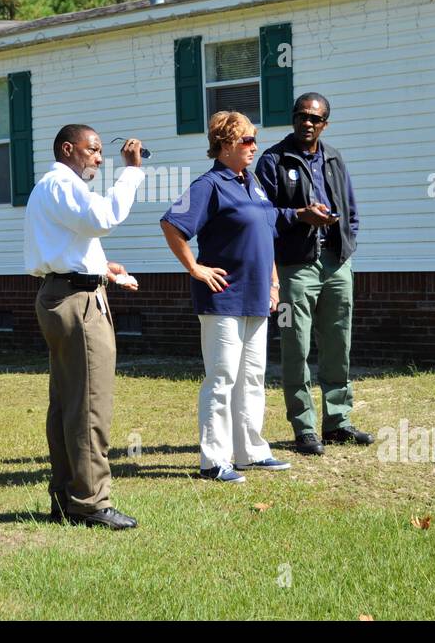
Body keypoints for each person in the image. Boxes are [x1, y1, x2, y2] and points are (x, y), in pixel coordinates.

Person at [160, 111, 290, 483]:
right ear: (225, 145)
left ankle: (251, 451)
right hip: (223, 298)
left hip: (256, 296)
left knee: (253, 376)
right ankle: (214, 460)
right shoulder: (209, 185)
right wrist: (195, 269)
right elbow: (172, 224)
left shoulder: (253, 184)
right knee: (221, 378)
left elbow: (266, 237)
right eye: (247, 140)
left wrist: (274, 283)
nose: (254, 146)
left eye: (254, 139)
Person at [25, 125, 143, 529]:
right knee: (89, 402)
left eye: (100, 152)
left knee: (66, 403)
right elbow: (103, 218)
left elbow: (71, 242)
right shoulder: (63, 183)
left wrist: (103, 270)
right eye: (92, 150)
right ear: (67, 149)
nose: (98, 158)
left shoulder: (51, 187)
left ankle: (65, 495)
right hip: (77, 304)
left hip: (62, 294)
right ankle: (91, 502)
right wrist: (131, 171)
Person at [256, 92, 374, 456]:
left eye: (315, 118)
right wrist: (300, 216)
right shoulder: (273, 160)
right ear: (293, 119)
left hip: (336, 264)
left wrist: (346, 241)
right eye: (301, 116)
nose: (307, 123)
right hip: (295, 268)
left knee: (339, 344)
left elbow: (350, 207)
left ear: (325, 123)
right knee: (296, 347)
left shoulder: (334, 157)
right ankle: (304, 428)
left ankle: (338, 422)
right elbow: (262, 216)